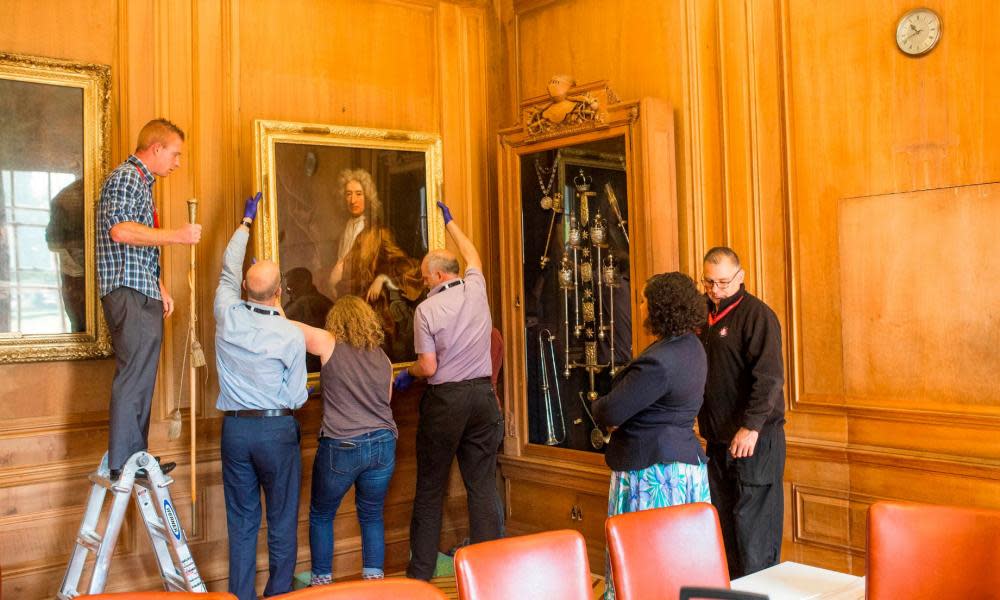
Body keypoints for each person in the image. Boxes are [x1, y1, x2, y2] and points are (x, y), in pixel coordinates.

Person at [394, 201, 504, 581]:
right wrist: (451, 223)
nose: (423, 284)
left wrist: (405, 373)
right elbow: (471, 254)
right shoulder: (477, 287)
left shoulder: (425, 312)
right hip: (483, 399)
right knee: (482, 486)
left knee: (430, 488)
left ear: (439, 275)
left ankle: (420, 575)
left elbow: (428, 367)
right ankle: (489, 570)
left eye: (425, 278)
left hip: (447, 403)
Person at [591, 272, 711, 600]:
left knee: (646, 563)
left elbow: (610, 412)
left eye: (644, 299)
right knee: (678, 561)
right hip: (682, 464)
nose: (640, 304)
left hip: (653, 470)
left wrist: (606, 410)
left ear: (660, 306)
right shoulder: (692, 347)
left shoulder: (660, 360)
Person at [215, 193, 308, 600]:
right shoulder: (290, 333)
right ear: (280, 292)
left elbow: (227, 270)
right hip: (276, 429)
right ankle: (279, 595)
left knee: (242, 522)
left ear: (247, 289)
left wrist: (245, 222)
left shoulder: (226, 312)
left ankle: (241, 597)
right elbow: (298, 395)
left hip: (235, 431)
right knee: (282, 519)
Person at [96, 118, 200, 480]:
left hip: (141, 287)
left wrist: (160, 286)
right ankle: (125, 462)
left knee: (141, 375)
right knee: (135, 374)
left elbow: (137, 247)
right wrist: (177, 235)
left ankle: (134, 457)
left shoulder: (141, 181)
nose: (177, 162)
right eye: (175, 154)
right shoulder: (126, 177)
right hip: (129, 291)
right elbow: (121, 231)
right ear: (156, 149)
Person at [288, 295, 397, 586]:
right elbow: (386, 399)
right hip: (384, 444)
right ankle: (375, 586)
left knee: (322, 515)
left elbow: (286, 326)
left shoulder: (327, 342)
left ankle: (322, 584)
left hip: (343, 445)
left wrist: (274, 299)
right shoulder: (383, 357)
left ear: (337, 320)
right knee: (372, 514)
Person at [698, 246, 785, 579]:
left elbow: (770, 378)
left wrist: (750, 427)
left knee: (754, 540)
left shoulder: (757, 315)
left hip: (756, 441)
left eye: (723, 282)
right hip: (718, 442)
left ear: (740, 277)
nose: (716, 290)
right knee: (724, 535)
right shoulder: (702, 316)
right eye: (709, 283)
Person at [328, 168, 423, 361]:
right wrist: (332, 281)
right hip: (346, 307)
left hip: (372, 311)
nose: (352, 200)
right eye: (348, 194)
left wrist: (383, 278)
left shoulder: (378, 233)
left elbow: (409, 266)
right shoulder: (343, 231)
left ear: (368, 196)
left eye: (358, 194)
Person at [283, 266, 333, 371]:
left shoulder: (304, 303)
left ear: (303, 283)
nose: (287, 292)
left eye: (289, 287)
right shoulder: (326, 302)